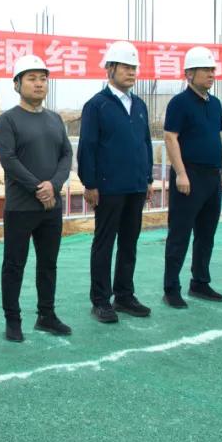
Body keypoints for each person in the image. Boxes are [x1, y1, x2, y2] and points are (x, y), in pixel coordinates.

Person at [0, 54, 73, 342]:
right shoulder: (8, 120)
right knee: (14, 264)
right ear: (17, 84)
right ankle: (13, 320)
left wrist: (54, 185)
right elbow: (9, 159)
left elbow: (66, 154)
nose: (39, 84)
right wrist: (39, 187)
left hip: (51, 206)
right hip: (21, 206)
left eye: (43, 79)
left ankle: (46, 315)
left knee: (48, 263)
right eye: (31, 78)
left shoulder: (55, 119)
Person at [76, 40, 154, 323]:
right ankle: (100, 300)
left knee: (129, 243)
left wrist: (148, 178)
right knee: (105, 243)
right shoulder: (96, 105)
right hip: (108, 187)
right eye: (125, 67)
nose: (131, 72)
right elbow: (87, 147)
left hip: (135, 186)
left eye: (134, 67)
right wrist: (90, 183)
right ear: (109, 69)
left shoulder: (139, 105)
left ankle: (124, 295)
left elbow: (145, 143)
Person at [161, 46, 222, 307]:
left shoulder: (215, 104)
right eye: (206, 70)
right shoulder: (179, 103)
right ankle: (171, 288)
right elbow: (171, 138)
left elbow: (220, 137)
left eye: (213, 70)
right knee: (179, 234)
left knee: (206, 233)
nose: (211, 74)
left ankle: (200, 282)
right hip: (189, 176)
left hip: (212, 176)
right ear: (189, 73)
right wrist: (180, 173)